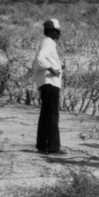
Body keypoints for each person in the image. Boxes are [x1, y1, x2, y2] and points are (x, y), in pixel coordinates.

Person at [32, 19, 64, 155]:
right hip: (50, 82)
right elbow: (40, 58)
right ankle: (53, 147)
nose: (59, 34)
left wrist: (59, 65)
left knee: (45, 114)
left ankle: (42, 144)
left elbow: (43, 59)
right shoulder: (49, 43)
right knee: (52, 115)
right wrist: (52, 70)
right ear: (51, 31)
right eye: (57, 31)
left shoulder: (47, 42)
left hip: (46, 82)